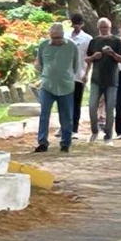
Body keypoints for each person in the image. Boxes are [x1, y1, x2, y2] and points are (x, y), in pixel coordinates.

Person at [34, 23, 80, 153]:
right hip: (47, 86)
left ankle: (65, 143)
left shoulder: (71, 46)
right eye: (54, 38)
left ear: (63, 35)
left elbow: (76, 65)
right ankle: (42, 142)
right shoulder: (43, 46)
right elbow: (41, 64)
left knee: (66, 116)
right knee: (44, 115)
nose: (56, 40)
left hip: (66, 86)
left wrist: (68, 76)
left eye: (58, 37)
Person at [85, 18, 121, 144]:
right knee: (92, 106)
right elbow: (87, 59)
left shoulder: (116, 41)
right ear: (98, 28)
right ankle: (94, 131)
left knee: (109, 109)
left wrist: (112, 53)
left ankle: (108, 135)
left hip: (112, 79)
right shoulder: (94, 41)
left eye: (106, 27)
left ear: (110, 27)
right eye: (101, 27)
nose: (104, 29)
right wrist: (93, 57)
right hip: (96, 79)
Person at [69, 15, 92, 135]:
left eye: (78, 23)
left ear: (82, 24)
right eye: (74, 23)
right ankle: (65, 125)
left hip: (79, 73)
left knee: (76, 102)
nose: (76, 26)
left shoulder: (87, 38)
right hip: (66, 75)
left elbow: (89, 58)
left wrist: (86, 73)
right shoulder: (66, 36)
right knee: (65, 101)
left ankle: (74, 128)